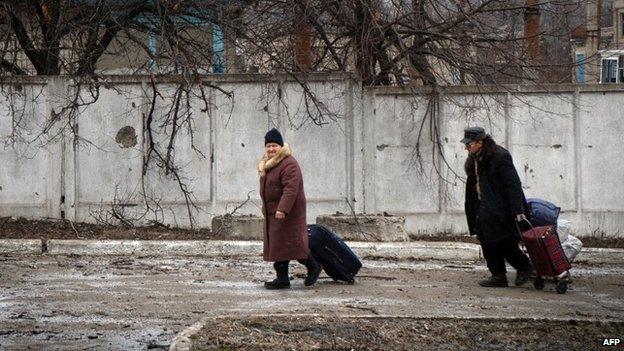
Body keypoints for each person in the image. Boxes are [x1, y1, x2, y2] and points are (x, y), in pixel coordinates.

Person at [462, 126, 534, 287]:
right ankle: (498, 275)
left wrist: (517, 210)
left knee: (504, 242)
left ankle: (524, 266)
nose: (466, 147)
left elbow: (512, 184)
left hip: (501, 209)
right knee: (486, 240)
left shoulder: (499, 156)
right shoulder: (475, 158)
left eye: (469, 144)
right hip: (484, 208)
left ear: (480, 142)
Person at [258, 128, 321, 289]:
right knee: (279, 246)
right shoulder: (269, 164)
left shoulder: (289, 164)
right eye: (269, 146)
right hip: (274, 212)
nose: (271, 149)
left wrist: (282, 209)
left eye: (274, 146)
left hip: (289, 213)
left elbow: (290, 189)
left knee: (294, 244)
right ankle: (282, 279)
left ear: (281, 146)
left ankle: (313, 266)